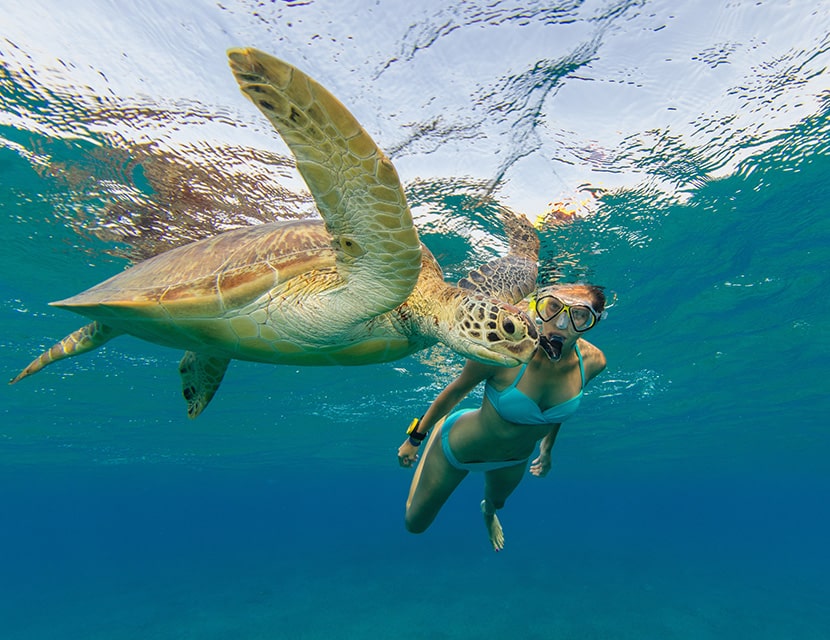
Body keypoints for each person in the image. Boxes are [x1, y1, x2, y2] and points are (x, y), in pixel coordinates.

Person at [397, 283, 607, 551]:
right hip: (458, 448)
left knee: (496, 504)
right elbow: (454, 391)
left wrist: (547, 449)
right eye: (553, 307)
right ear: (540, 307)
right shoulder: (504, 347)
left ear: (593, 322)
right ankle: (441, 429)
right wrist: (415, 439)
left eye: (579, 315)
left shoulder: (593, 362)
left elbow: (557, 412)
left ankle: (488, 514)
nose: (561, 323)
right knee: (414, 525)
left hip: (514, 461)